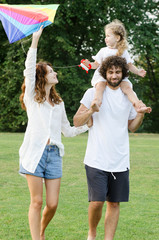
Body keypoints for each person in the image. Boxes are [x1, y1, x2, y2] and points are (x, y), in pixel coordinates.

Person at [19, 26, 89, 240]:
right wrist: (35, 41)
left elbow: (67, 131)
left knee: (52, 204)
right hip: (35, 153)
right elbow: (29, 69)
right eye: (51, 71)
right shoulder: (32, 97)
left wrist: (88, 125)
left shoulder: (58, 103)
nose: (55, 72)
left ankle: (40, 231)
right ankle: (36, 238)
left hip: (54, 155)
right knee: (37, 202)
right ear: (42, 77)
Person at [73, 55, 151, 240]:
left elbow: (132, 127)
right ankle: (92, 233)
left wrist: (140, 115)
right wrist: (91, 110)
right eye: (111, 72)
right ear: (104, 73)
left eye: (117, 72)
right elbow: (76, 121)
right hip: (96, 158)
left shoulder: (129, 95)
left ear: (123, 73)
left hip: (120, 159)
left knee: (114, 204)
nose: (114, 76)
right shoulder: (92, 93)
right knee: (97, 202)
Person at [81, 19, 151, 113]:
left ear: (117, 38)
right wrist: (89, 65)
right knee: (100, 87)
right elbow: (96, 64)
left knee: (127, 88)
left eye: (108, 36)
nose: (106, 38)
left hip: (119, 77)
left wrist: (138, 71)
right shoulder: (103, 51)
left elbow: (129, 65)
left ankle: (138, 105)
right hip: (103, 76)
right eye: (105, 36)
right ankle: (96, 102)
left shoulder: (123, 52)